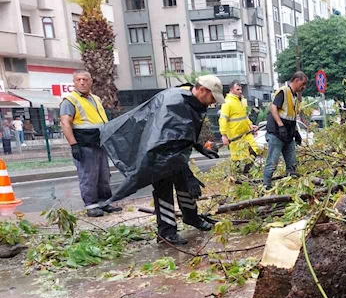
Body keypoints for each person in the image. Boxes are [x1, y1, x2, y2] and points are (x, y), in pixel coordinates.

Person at [100, 75, 224, 245]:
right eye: (212, 98)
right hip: (157, 154)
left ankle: (191, 217)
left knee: (185, 186)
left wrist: (198, 145)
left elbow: (182, 133)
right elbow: (168, 142)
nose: (211, 103)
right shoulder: (175, 103)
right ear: (202, 90)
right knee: (164, 188)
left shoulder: (189, 99)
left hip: (173, 153)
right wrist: (188, 174)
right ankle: (166, 232)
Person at [60, 70, 121, 217]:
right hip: (84, 144)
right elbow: (65, 123)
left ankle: (104, 202)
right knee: (88, 176)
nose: (82, 82)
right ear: (74, 82)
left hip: (99, 143)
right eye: (79, 79)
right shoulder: (70, 101)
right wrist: (73, 145)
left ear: (91, 81)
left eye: (85, 79)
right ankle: (91, 205)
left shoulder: (96, 99)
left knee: (103, 175)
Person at [263, 71, 307, 189]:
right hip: (277, 134)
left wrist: (296, 133)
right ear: (296, 80)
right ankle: (265, 188)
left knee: (292, 164)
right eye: (303, 83)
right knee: (272, 164)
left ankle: (291, 188)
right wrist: (280, 125)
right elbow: (273, 107)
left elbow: (291, 116)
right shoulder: (284, 91)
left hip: (288, 135)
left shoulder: (294, 97)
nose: (304, 87)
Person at [218, 80, 260, 172]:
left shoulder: (239, 101)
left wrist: (250, 125)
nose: (240, 91)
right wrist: (224, 135)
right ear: (231, 90)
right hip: (235, 136)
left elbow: (244, 116)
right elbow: (223, 119)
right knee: (237, 158)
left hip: (245, 134)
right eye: (238, 89)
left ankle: (245, 173)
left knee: (255, 150)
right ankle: (236, 176)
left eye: (240, 89)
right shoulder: (227, 103)